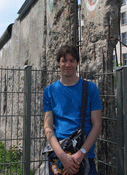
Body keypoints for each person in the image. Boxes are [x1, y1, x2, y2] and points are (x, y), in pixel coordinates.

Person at [43, 45, 102, 175]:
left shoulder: (90, 89)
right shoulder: (49, 91)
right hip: (59, 156)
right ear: (58, 63)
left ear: (77, 63)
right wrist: (62, 156)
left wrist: (80, 155)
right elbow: (47, 127)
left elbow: (97, 125)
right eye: (64, 60)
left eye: (72, 60)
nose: (68, 64)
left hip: (85, 156)